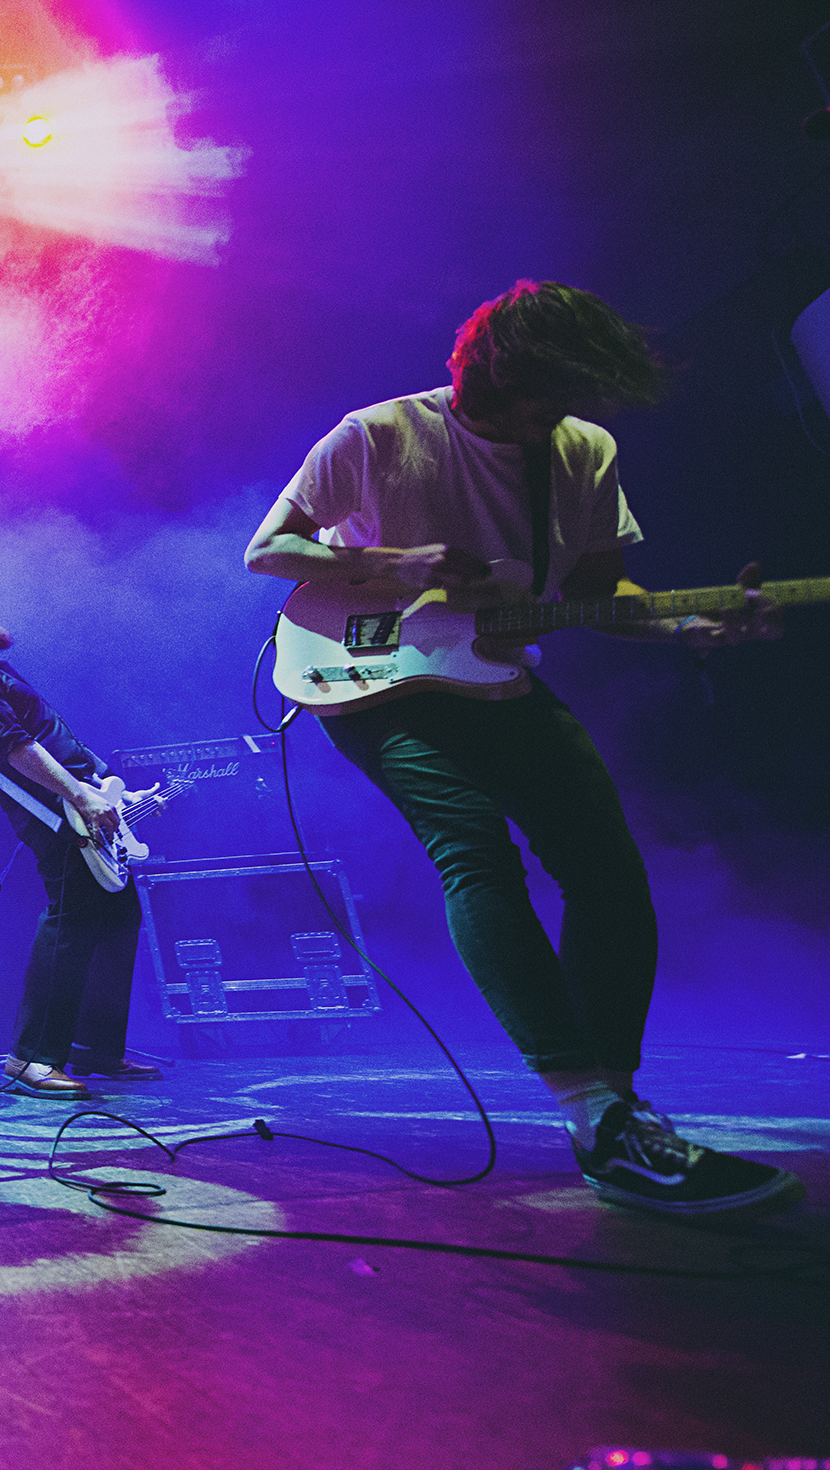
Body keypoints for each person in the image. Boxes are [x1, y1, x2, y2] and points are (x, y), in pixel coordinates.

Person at [243, 278, 797, 1219]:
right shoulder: (377, 434)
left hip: (494, 670)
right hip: (364, 679)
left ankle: (615, 1112)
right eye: (547, 397)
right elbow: (268, 550)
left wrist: (687, 627)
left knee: (608, 868)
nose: (559, 418)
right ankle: (589, 1109)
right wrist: (393, 564)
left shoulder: (582, 452)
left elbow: (602, 594)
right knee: (478, 855)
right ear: (492, 373)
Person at [0, 611, 160, 1099]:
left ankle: (94, 1047)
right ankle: (29, 1057)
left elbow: (50, 735)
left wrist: (105, 790)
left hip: (82, 803)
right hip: (57, 814)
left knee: (118, 919)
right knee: (68, 924)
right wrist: (78, 795)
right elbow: (15, 747)